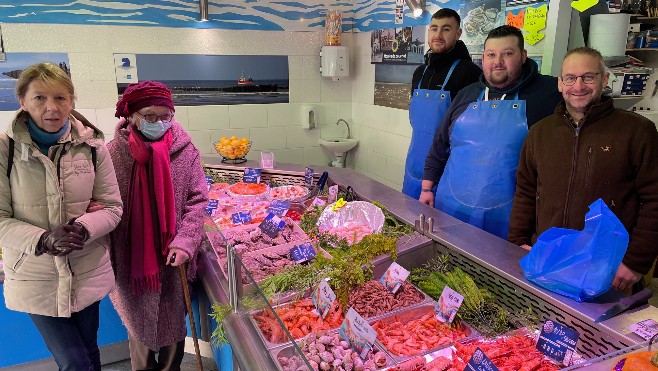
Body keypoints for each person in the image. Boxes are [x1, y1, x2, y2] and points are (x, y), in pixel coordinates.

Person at [0, 62, 123, 370]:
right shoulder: (5, 150)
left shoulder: (93, 146)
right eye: (40, 98)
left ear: (71, 101)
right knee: (74, 361)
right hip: (35, 273)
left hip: (86, 268)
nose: (51, 108)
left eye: (60, 98)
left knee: (89, 351)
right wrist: (43, 239)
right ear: (23, 102)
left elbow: (112, 207)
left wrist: (84, 228)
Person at [508, 47, 658, 292]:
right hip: (547, 262)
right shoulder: (539, 132)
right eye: (570, 78)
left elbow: (654, 200)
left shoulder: (638, 131)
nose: (578, 86)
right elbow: (526, 191)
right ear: (560, 83)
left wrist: (635, 262)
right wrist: (517, 242)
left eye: (589, 77)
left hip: (608, 271)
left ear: (605, 79)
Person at [421, 25, 562, 239]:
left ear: (523, 56)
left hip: (507, 219)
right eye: (491, 55)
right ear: (483, 58)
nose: (498, 62)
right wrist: (426, 189)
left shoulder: (549, 93)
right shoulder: (467, 94)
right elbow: (440, 145)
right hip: (449, 207)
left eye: (507, 54)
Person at [107, 81, 209, 371]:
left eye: (166, 116)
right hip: (132, 262)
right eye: (150, 116)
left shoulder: (186, 151)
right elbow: (102, 204)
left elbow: (198, 199)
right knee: (137, 326)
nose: (159, 123)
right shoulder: (112, 154)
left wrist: (186, 241)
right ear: (132, 116)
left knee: (172, 325)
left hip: (172, 257)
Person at [402, 8, 481, 199]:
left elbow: (468, 130)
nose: (438, 35)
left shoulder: (469, 73)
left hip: (447, 170)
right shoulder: (420, 72)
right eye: (433, 28)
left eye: (446, 29)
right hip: (414, 163)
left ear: (458, 33)